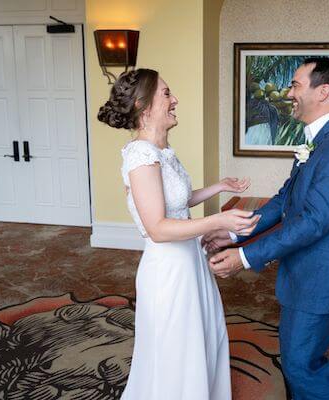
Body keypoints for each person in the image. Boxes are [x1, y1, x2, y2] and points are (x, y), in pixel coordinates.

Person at [204, 58, 329, 399]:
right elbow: (285, 200)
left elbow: (314, 220)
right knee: (297, 359)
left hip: (322, 276)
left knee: (300, 364)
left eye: (295, 85)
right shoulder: (316, 140)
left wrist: (246, 257)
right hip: (302, 272)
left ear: (322, 91)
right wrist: (238, 233)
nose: (288, 92)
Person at [97, 68, 260, 400]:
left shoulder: (161, 152)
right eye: (167, 94)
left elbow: (177, 202)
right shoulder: (141, 157)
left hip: (190, 262)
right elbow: (157, 228)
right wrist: (219, 221)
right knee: (175, 354)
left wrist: (219, 187)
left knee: (200, 340)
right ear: (144, 106)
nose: (175, 100)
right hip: (168, 270)